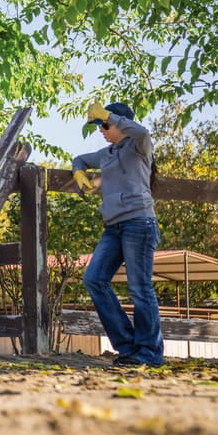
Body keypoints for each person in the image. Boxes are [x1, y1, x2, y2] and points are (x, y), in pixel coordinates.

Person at [71, 101, 163, 367]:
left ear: (121, 124)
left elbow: (143, 132)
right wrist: (78, 171)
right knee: (94, 279)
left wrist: (108, 115)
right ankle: (128, 347)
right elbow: (81, 159)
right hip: (114, 227)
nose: (101, 129)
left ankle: (149, 353)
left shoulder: (139, 147)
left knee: (139, 288)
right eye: (99, 124)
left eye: (105, 124)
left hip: (139, 223)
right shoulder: (107, 154)